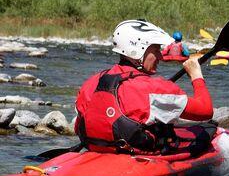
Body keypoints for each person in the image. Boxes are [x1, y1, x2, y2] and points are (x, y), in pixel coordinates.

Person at [74, 20, 214, 155]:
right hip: (135, 153)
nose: (161, 56)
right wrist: (196, 75)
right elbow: (206, 111)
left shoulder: (91, 82)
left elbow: (78, 126)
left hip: (96, 148)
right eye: (156, 50)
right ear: (137, 50)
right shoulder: (155, 88)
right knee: (209, 129)